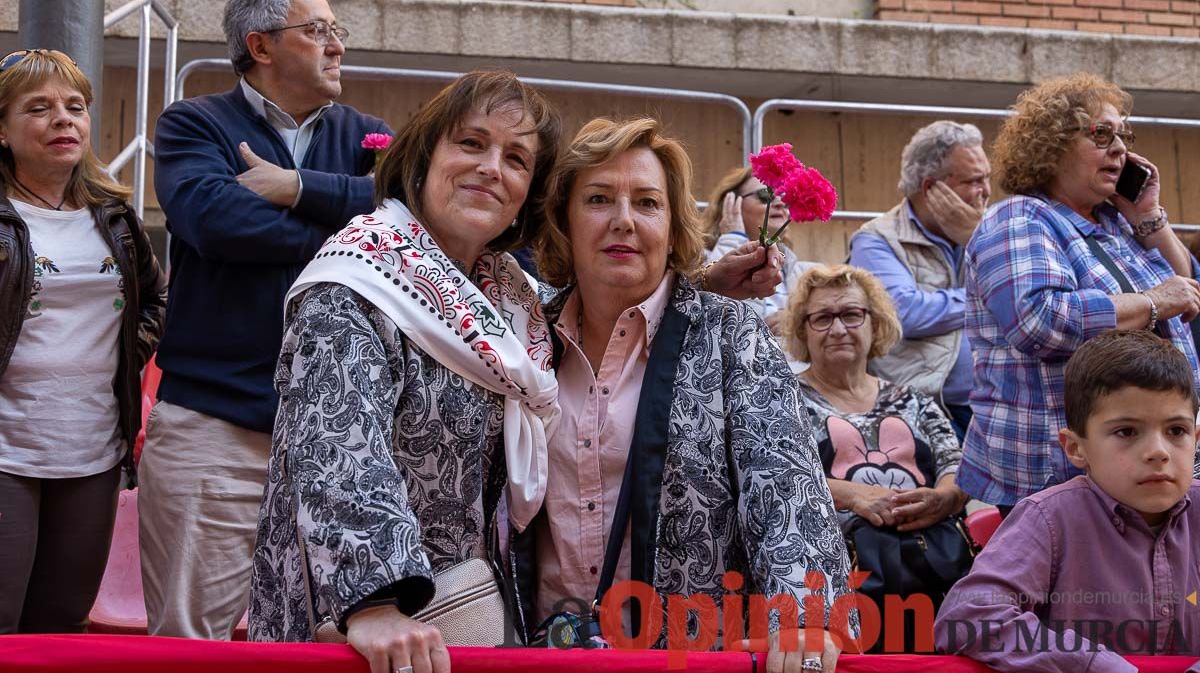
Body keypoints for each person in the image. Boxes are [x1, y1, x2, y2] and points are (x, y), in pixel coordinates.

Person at [247, 76, 794, 672]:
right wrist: (375, 602)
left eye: (515, 158)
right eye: (471, 144)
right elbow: (336, 445)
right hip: (369, 630)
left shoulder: (507, 300)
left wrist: (696, 287)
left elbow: (783, 479)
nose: (491, 168)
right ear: (424, 155)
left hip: (484, 629)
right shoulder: (354, 281)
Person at [515, 118, 854, 673]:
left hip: (688, 655)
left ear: (672, 226)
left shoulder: (730, 335)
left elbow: (785, 485)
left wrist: (805, 615)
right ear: (563, 220)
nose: (623, 221)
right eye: (599, 199)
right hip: (539, 653)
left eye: (647, 203)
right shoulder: (520, 339)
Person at [140, 0, 393, 640]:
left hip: (343, 441)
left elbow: (409, 220)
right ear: (260, 45)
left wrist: (293, 187)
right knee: (190, 643)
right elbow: (215, 222)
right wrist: (343, 219)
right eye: (317, 31)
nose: (337, 45)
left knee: (330, 643)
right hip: (215, 428)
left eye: (337, 31)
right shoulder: (193, 124)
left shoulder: (371, 135)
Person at [958, 73, 1200, 513]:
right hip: (1059, 476)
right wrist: (1154, 302)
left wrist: (1148, 217)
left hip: (1140, 465)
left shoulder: (1116, 221)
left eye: (1123, 134)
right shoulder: (1019, 218)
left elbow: (1189, 290)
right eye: (1101, 134)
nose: (1120, 148)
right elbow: (1040, 320)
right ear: (1051, 147)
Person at [0, 49, 166, 633]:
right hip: (6, 451)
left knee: (61, 627)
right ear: (3, 128)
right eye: (39, 108)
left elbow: (155, 302)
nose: (62, 120)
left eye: (75, 107)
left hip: (93, 453)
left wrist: (122, 364)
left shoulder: (116, 217)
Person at [936, 329, 1200, 669]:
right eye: (1127, 432)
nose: (1158, 452)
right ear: (1075, 447)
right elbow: (969, 617)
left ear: (1195, 438)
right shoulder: (1048, 519)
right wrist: (1093, 665)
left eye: (1175, 431)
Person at [784, 264, 968, 648]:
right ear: (803, 330)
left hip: (933, 567)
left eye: (852, 314)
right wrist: (851, 495)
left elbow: (956, 462)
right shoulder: (785, 401)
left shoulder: (913, 399)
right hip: (838, 579)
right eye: (822, 318)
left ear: (875, 323)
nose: (838, 329)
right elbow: (777, 475)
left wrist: (945, 497)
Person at [849, 121, 991, 441]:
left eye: (987, 178)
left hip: (997, 408)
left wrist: (978, 239)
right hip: (924, 410)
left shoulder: (991, 229)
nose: (986, 191)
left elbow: (1024, 298)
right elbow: (906, 314)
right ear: (931, 188)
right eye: (974, 180)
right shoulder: (877, 239)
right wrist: (988, 295)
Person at [702, 166, 815, 334]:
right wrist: (733, 238)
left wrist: (796, 324)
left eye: (785, 197)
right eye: (765, 195)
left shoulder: (803, 273)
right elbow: (708, 312)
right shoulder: (699, 261)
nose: (779, 202)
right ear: (731, 204)